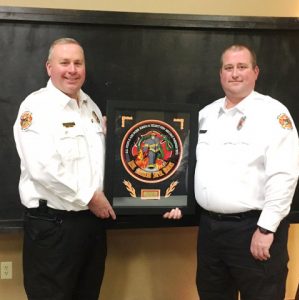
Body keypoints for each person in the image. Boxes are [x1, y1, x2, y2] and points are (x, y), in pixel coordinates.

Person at [13, 37, 181, 300]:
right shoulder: (36, 108)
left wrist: (164, 196)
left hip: (90, 225)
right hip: (54, 227)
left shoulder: (89, 106)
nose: (72, 69)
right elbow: (42, 169)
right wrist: (91, 197)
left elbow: (110, 164)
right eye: (64, 62)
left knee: (88, 294)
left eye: (78, 63)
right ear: (49, 67)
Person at [194, 44, 299, 300]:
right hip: (210, 230)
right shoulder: (205, 115)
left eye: (242, 67)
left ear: (255, 72)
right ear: (220, 74)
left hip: (253, 230)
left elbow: (284, 175)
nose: (235, 74)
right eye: (228, 68)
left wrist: (266, 230)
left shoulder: (273, 114)